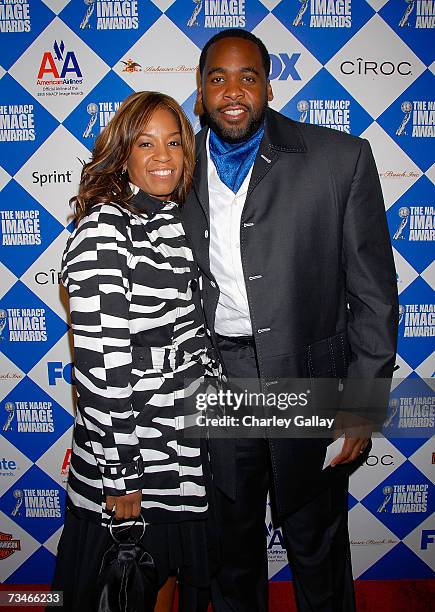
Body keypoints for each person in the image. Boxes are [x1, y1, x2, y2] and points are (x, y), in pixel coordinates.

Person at [181, 29, 399, 612]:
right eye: (217, 78)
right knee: (232, 548)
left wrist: (360, 403)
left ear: (268, 87)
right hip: (218, 381)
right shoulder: (171, 168)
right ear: (199, 91)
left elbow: (374, 296)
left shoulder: (340, 159)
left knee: (316, 543)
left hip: (310, 381)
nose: (233, 91)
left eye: (247, 77)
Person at [51, 91, 215, 612]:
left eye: (174, 143)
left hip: (181, 447)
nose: (163, 157)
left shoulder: (171, 220)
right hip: (134, 452)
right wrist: (122, 478)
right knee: (125, 587)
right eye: (146, 144)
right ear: (123, 155)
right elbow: (101, 372)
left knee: (161, 580)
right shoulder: (104, 230)